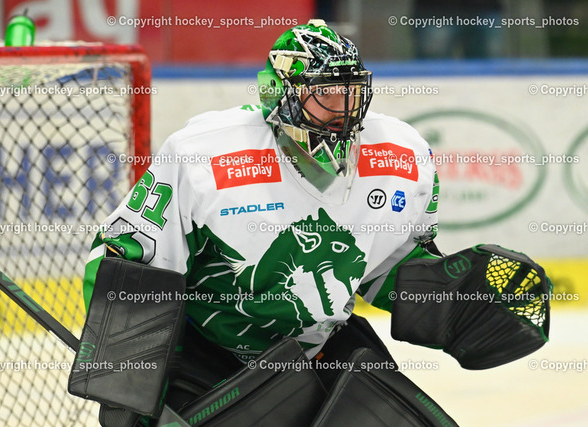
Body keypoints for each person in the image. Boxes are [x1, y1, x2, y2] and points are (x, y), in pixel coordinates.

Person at [80, 19, 548, 426]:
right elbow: (127, 262)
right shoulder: (204, 154)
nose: (343, 109)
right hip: (207, 353)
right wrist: (128, 383)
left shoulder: (402, 156)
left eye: (351, 92)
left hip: (320, 347)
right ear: (281, 95)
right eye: (325, 94)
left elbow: (382, 269)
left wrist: (451, 300)